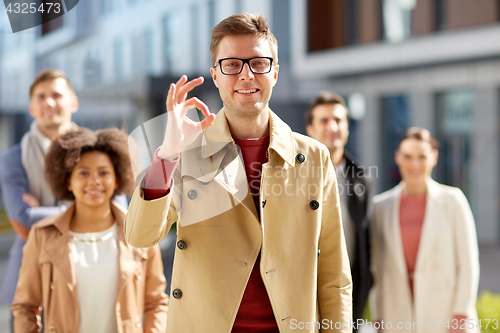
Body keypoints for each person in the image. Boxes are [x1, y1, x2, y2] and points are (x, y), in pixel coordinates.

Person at [125, 13, 352, 333]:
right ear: (215, 75)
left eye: (258, 63)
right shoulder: (187, 153)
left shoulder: (313, 157)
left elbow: (333, 272)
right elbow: (140, 235)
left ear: (275, 71)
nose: (246, 75)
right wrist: (168, 155)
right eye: (232, 64)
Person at [12, 128, 168, 332]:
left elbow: (156, 303)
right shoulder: (42, 235)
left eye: (103, 173)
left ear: (117, 179)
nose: (94, 181)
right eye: (83, 173)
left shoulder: (140, 232)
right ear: (68, 180)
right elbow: (25, 307)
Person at [370, 127, 479, 333]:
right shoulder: (380, 206)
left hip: (446, 313)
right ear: (397, 157)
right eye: (408, 156)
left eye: (422, 156)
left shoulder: (453, 200)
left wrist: (461, 316)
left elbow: (468, 264)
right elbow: (378, 269)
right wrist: (379, 317)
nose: (415, 164)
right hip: (397, 313)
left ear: (434, 157)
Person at [0, 70, 79, 326]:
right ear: (32, 108)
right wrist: (82, 210)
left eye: (57, 95)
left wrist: (42, 212)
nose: (49, 102)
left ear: (73, 103)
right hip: (29, 283)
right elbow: (22, 221)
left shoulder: (97, 153)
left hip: (85, 275)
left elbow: (115, 213)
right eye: (41, 97)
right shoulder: (13, 158)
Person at [305, 92, 372, 327]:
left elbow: (363, 241)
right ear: (310, 129)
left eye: (338, 120)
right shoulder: (291, 177)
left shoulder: (361, 179)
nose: (332, 126)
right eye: (324, 120)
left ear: (347, 127)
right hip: (305, 295)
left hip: (348, 297)